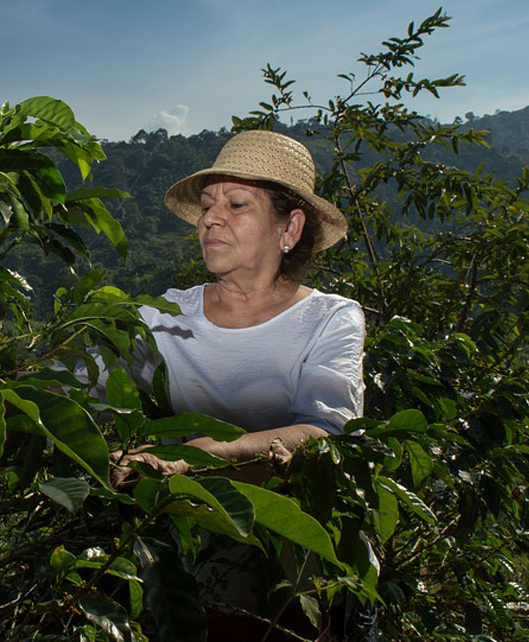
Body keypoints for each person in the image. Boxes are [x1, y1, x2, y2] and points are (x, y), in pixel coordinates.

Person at [113, 130, 367, 640]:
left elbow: (325, 430)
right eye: (208, 205)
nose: (211, 218)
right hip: (179, 583)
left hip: (289, 590)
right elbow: (75, 383)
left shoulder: (329, 318)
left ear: (289, 227)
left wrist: (206, 453)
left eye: (237, 203)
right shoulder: (164, 316)